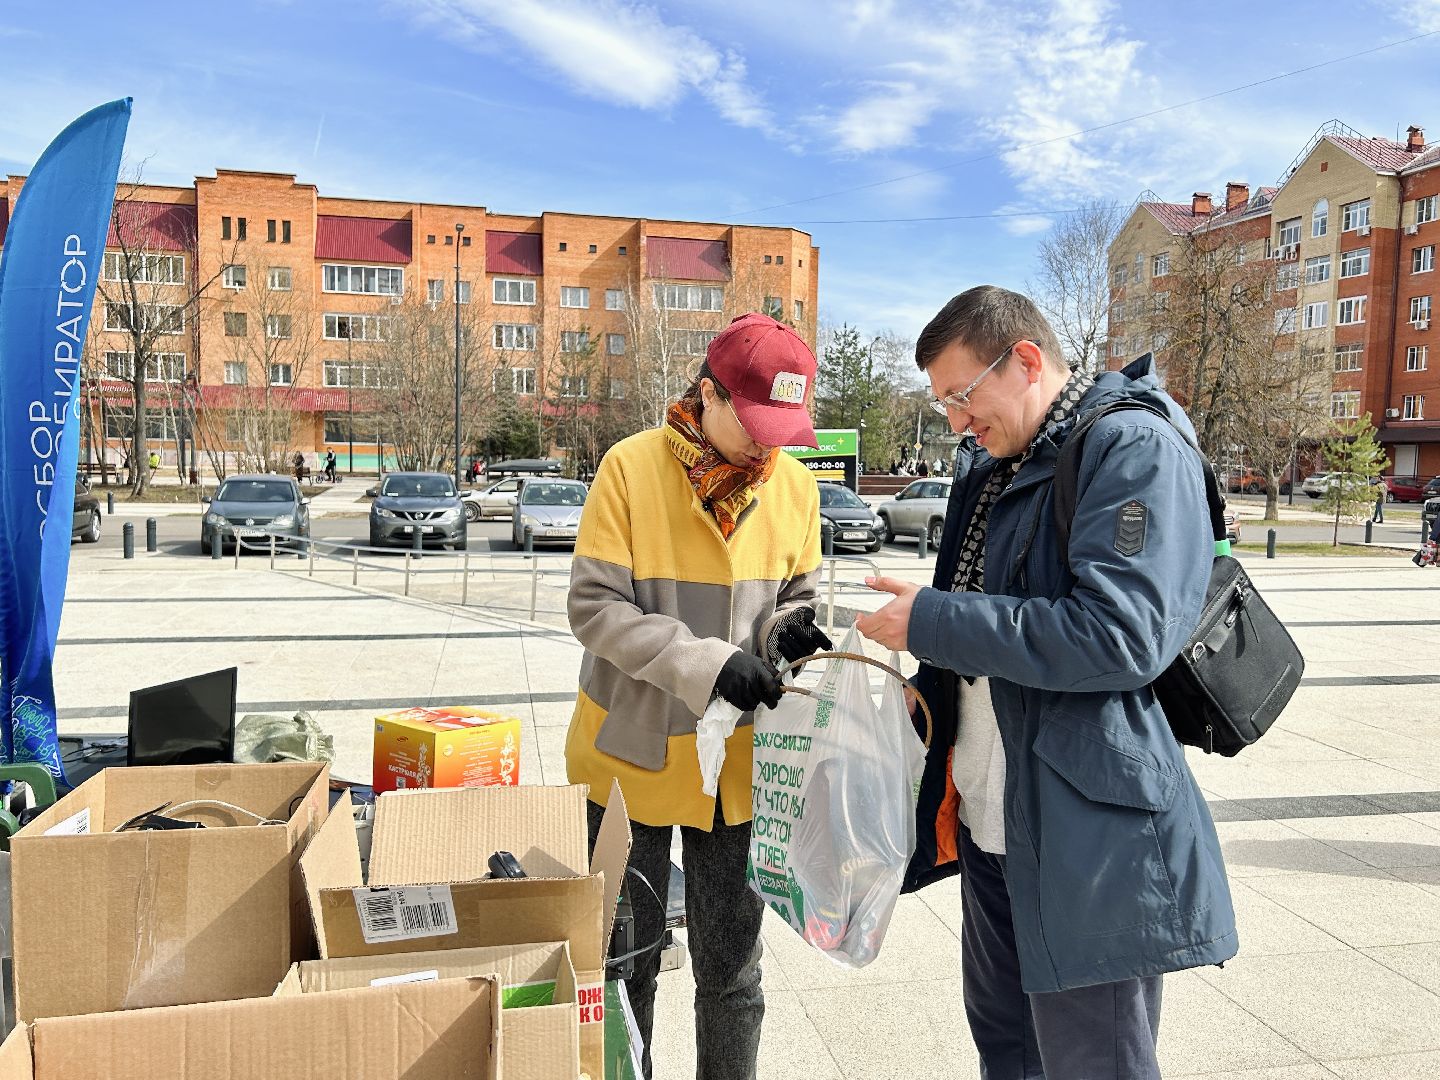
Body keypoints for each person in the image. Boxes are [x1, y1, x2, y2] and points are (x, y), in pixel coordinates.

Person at [854, 286, 1236, 1080]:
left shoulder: (1131, 447)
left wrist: (932, 622)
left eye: (963, 395)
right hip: (994, 817)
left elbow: (1121, 637)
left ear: (1026, 360)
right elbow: (980, 629)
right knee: (1009, 1051)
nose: (957, 421)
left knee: (1095, 1063)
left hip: (1087, 831)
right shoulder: (994, 463)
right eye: (944, 405)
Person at [566, 312, 831, 1080]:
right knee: (624, 971)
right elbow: (594, 608)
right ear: (707, 395)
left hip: (737, 775)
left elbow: (797, 592)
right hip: (629, 758)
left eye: (784, 428)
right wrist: (709, 663)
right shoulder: (629, 468)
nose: (767, 445)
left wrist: (790, 632)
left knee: (733, 977)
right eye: (754, 422)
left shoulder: (796, 489)